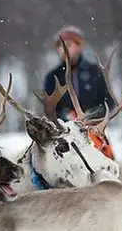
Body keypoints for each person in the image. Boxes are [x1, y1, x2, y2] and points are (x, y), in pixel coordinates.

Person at [43, 25, 116, 159]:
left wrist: (89, 115)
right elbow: (49, 110)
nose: (63, 50)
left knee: (107, 162)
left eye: (68, 45)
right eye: (59, 46)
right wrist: (66, 117)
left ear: (79, 46)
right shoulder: (52, 77)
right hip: (65, 132)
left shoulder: (94, 72)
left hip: (93, 129)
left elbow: (108, 103)